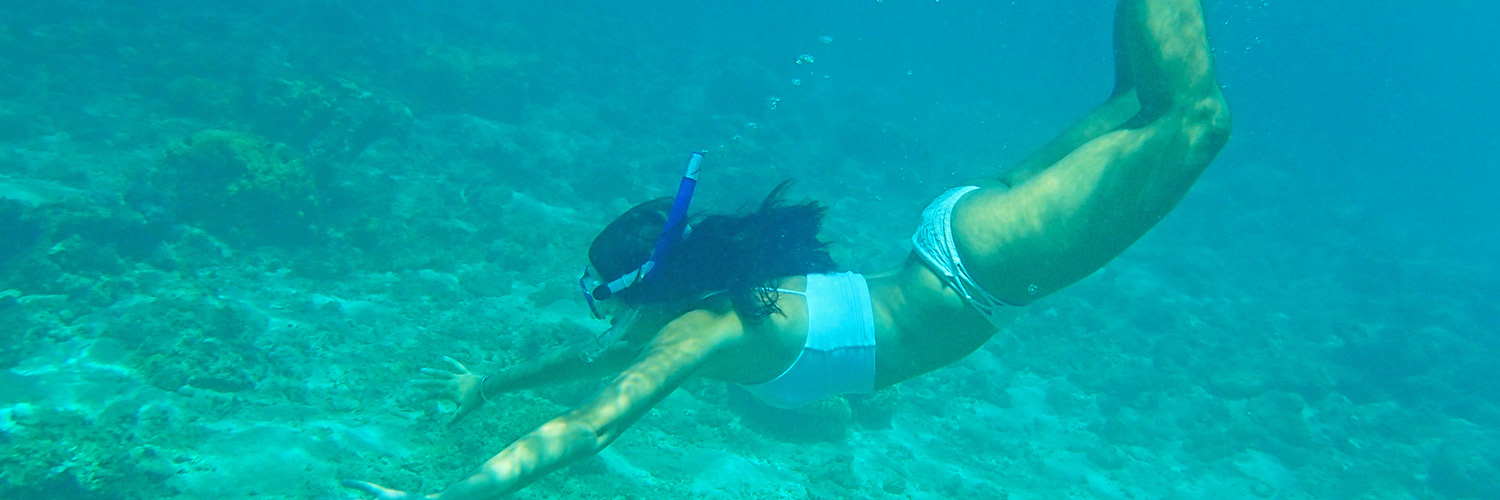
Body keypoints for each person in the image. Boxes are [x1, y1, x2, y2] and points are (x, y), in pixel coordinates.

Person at [345, 0, 1231, 497]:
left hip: (984, 268)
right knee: (1139, 104)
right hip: (959, 236)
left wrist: (445, 498)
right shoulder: (691, 313)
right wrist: (487, 385)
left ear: (643, 286)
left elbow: (587, 427)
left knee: (1195, 119)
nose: (597, 311)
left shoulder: (698, 333)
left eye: (598, 292)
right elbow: (583, 372)